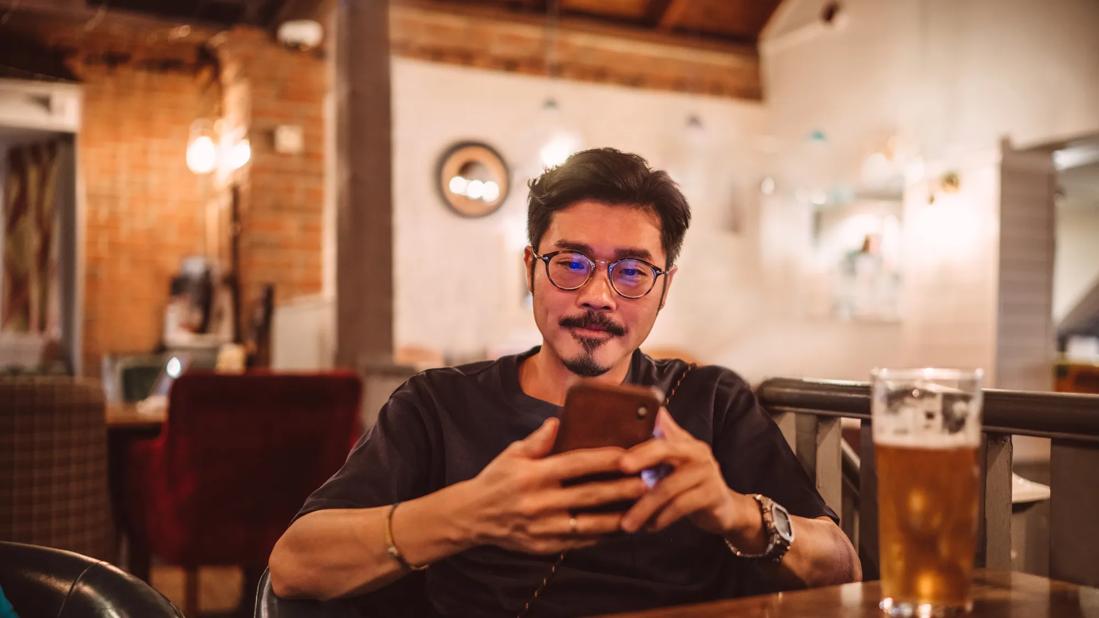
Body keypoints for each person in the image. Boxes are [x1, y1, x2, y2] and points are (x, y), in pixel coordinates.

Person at [269, 148, 861, 617]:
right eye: (571, 263)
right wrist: (470, 514)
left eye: (631, 270)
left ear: (664, 288)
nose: (598, 296)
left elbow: (844, 569)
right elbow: (295, 565)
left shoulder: (711, 402)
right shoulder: (440, 405)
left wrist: (736, 514)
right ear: (530, 268)